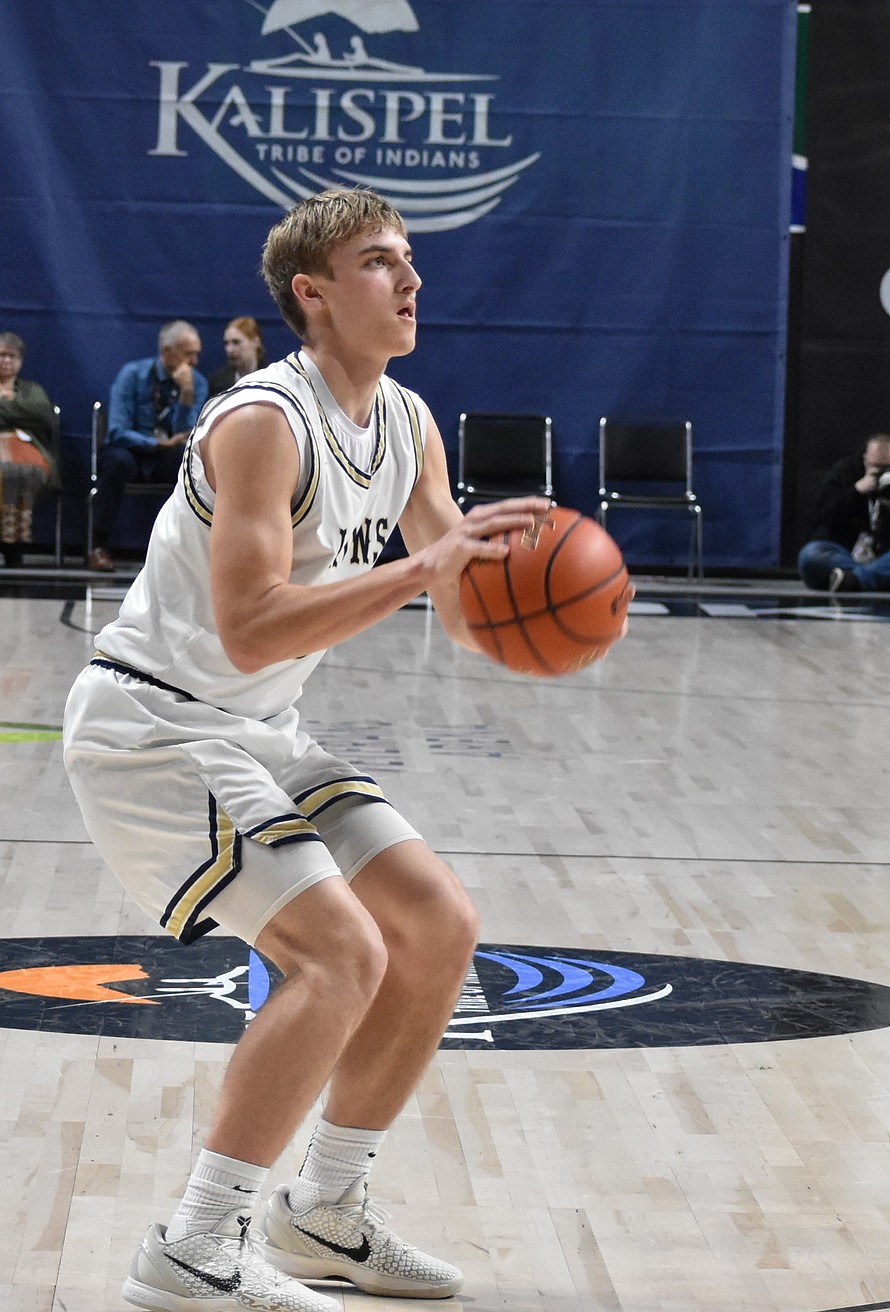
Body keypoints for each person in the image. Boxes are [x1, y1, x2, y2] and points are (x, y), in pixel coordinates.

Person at [61, 187, 549, 1312]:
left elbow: (465, 609)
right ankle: (194, 1249)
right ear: (312, 296)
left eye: (411, 259)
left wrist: (529, 584)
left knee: (436, 926)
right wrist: (423, 573)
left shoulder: (411, 423)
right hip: (157, 724)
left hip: (260, 728)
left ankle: (324, 1211)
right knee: (340, 955)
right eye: (383, 262)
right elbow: (252, 624)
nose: (413, 280)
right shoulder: (260, 423)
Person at [88, 319, 208, 571]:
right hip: (132, 450)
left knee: (189, 462)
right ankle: (98, 545)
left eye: (196, 354)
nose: (194, 361)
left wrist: (186, 398)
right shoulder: (132, 375)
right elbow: (117, 430)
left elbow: (186, 434)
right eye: (189, 354)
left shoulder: (197, 383)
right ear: (167, 352)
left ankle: (181, 550)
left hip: (168, 454)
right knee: (116, 461)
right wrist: (155, 443)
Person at [797, 432, 890, 593]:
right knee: (811, 554)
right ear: (865, 460)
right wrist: (856, 491)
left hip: (885, 553)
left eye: (888, 468)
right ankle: (887, 578)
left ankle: (853, 580)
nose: (882, 473)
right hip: (845, 552)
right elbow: (824, 517)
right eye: (876, 467)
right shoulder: (844, 472)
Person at [0, 331, 59, 568]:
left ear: (20, 361)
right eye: (0, 355)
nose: (5, 361)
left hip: (25, 446)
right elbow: (29, 414)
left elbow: (43, 416)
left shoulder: (31, 389)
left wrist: (4, 407)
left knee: (25, 471)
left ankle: (14, 545)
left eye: (11, 356)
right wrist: (17, 411)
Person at [208, 317, 267, 397]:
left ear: (255, 342)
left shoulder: (271, 380)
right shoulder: (218, 383)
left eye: (236, 342)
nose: (229, 349)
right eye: (226, 343)